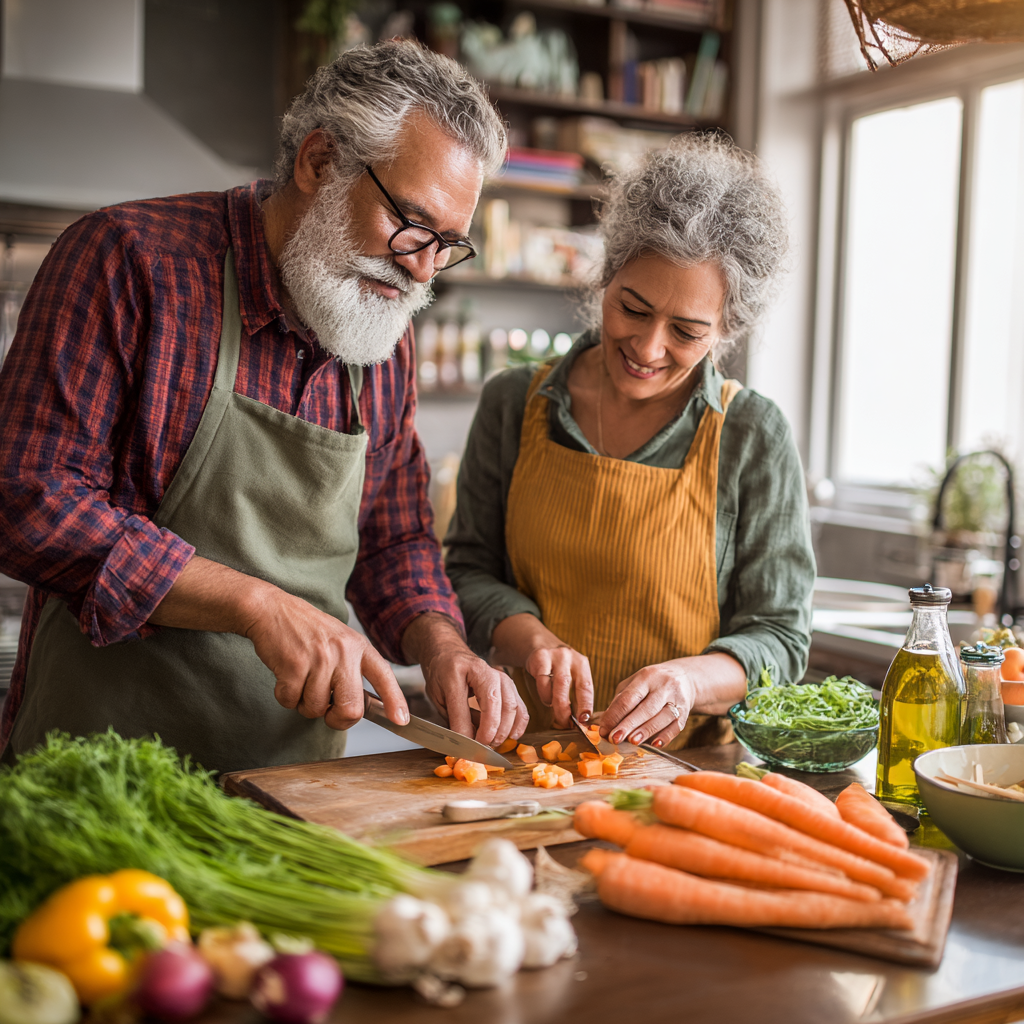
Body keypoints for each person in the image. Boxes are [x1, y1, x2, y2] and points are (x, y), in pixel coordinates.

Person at [0, 41, 529, 773]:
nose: (421, 269)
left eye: (447, 245)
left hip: (295, 783)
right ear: (318, 162)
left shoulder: (382, 333)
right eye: (411, 222)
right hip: (101, 770)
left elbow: (392, 537)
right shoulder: (131, 261)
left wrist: (441, 644)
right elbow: (29, 500)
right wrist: (256, 604)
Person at [445, 133, 815, 751]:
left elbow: (779, 637)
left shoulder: (752, 434)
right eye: (633, 308)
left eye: (687, 332)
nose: (647, 349)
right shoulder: (513, 404)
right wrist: (531, 638)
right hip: (516, 758)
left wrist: (688, 682)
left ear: (727, 331)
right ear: (605, 277)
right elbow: (469, 568)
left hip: (687, 774)